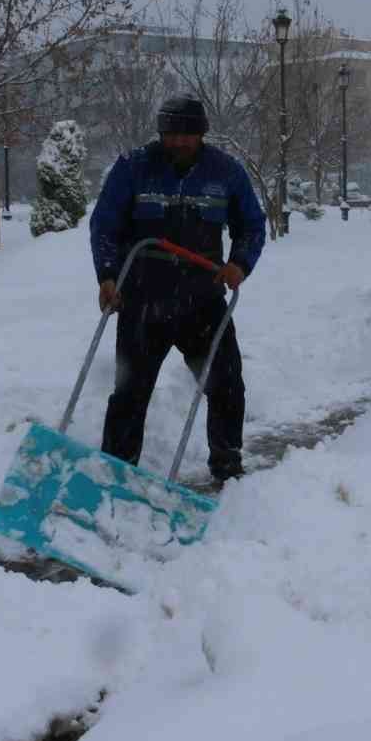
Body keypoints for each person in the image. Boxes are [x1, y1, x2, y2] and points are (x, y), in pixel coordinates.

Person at [89, 93, 266, 482]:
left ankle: (226, 463)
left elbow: (251, 225)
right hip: (142, 300)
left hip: (201, 301)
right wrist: (107, 275)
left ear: (202, 134)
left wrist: (239, 263)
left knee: (225, 383)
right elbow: (105, 225)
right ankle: (116, 471)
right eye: (172, 135)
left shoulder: (226, 172)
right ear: (161, 133)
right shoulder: (133, 168)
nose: (180, 142)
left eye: (188, 135)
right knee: (129, 392)